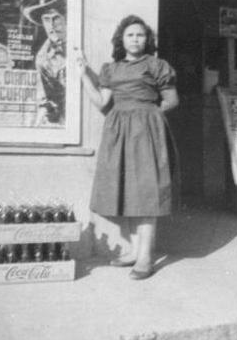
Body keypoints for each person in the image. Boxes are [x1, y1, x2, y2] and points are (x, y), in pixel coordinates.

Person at [76, 15, 179, 280]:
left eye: (140, 35)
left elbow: (171, 100)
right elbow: (101, 102)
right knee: (129, 192)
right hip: (118, 132)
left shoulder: (157, 65)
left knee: (146, 193)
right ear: (122, 39)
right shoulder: (111, 69)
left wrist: (148, 117)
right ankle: (134, 251)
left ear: (148, 40)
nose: (135, 39)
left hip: (146, 132)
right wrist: (84, 75)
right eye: (130, 35)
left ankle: (145, 257)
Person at [23, 0, 67, 126]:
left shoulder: (79, 42)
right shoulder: (43, 57)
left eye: (56, 18)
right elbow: (47, 100)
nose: (52, 26)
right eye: (46, 20)